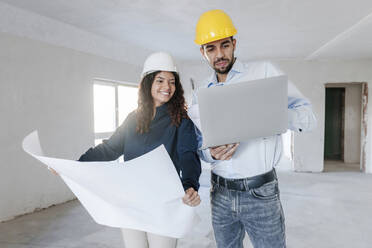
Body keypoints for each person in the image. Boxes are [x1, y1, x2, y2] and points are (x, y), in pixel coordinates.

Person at [190, 10, 317, 248]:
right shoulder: (201, 94)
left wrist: (273, 115)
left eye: (225, 45)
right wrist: (211, 153)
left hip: (261, 194)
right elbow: (199, 146)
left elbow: (309, 118)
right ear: (203, 52)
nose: (219, 55)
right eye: (211, 48)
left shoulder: (265, 73)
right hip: (219, 193)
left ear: (234, 44)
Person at [77, 52, 202, 248]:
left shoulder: (181, 120)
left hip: (164, 203)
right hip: (132, 200)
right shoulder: (133, 118)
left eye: (171, 82)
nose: (167, 87)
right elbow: (110, 149)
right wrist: (77, 165)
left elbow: (188, 156)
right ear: (148, 83)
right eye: (160, 80)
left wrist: (190, 185)